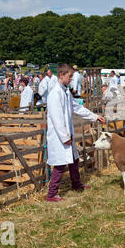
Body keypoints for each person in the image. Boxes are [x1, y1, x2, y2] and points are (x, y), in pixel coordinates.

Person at [46, 64, 105, 202]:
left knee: (74, 159)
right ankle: (52, 194)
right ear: (61, 75)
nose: (71, 79)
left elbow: (77, 108)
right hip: (60, 135)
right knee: (60, 165)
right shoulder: (55, 93)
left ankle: (76, 184)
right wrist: (64, 136)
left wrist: (94, 116)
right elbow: (56, 118)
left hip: (67, 133)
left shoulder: (65, 92)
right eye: (69, 76)